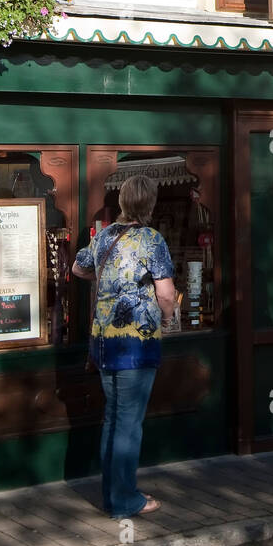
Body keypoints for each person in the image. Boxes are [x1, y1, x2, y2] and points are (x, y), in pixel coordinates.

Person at [73, 175, 176, 519]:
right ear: (149, 204)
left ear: (123, 202)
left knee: (114, 419)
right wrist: (167, 317)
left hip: (103, 340)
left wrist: (109, 283)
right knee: (129, 423)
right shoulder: (152, 240)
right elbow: (165, 293)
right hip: (136, 341)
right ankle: (125, 500)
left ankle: (115, 494)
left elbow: (77, 268)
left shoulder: (103, 237)